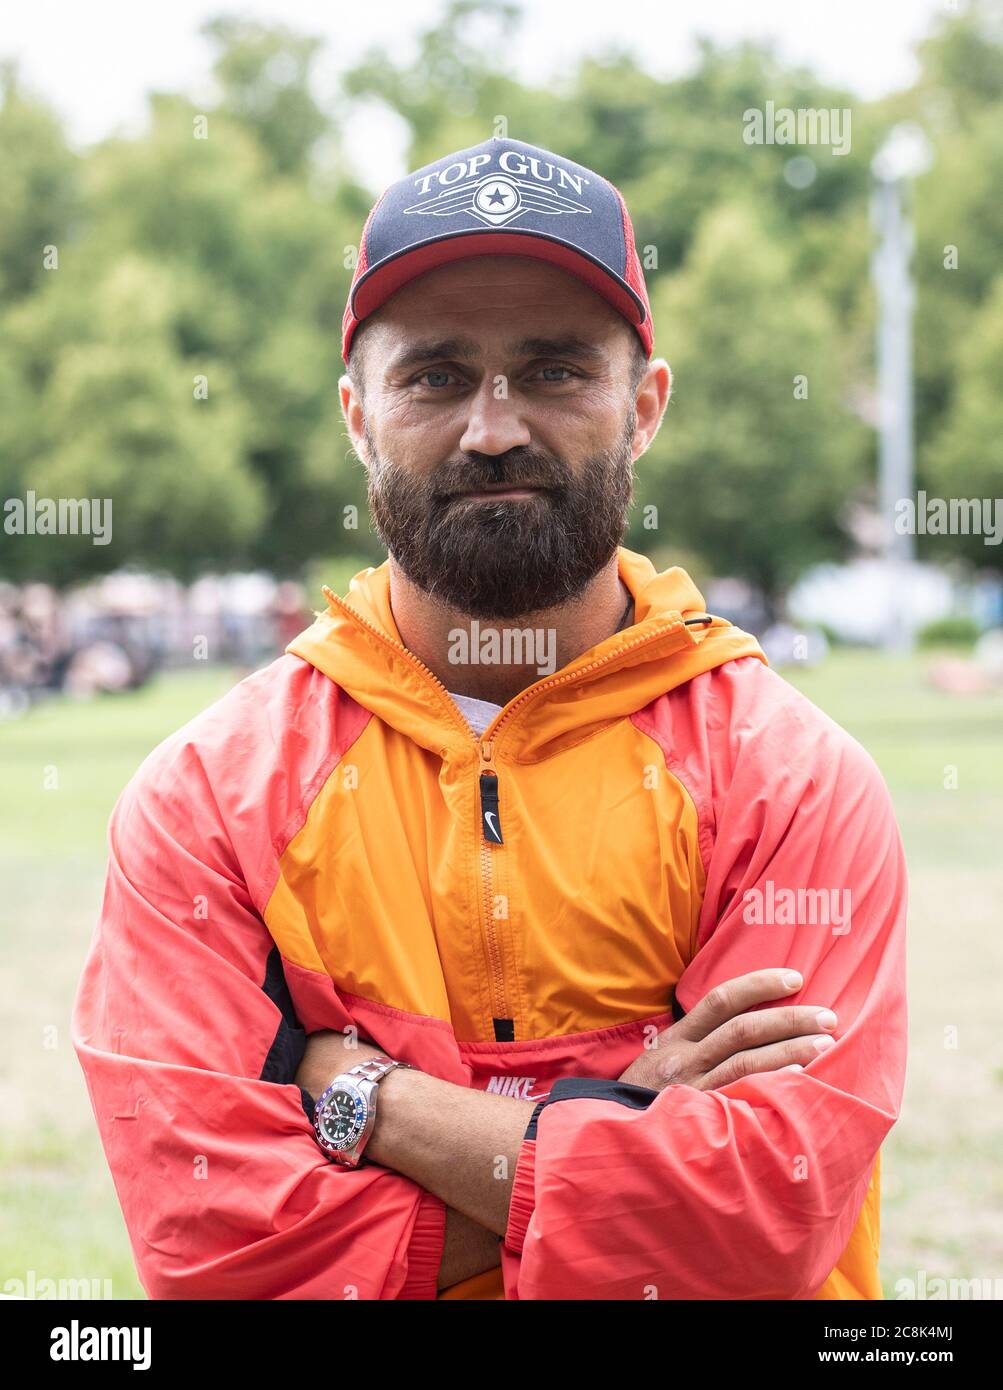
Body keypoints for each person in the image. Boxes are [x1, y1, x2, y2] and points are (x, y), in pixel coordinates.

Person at [72, 137, 907, 1301]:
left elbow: (755, 1224)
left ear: (645, 406)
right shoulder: (208, 800)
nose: (493, 428)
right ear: (357, 415)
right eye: (435, 376)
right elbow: (215, 1258)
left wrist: (366, 1097)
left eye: (557, 370)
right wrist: (621, 1128)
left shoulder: (792, 782)